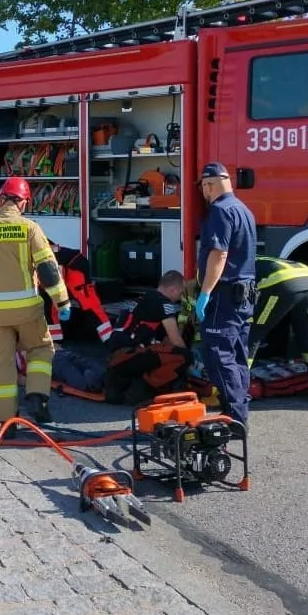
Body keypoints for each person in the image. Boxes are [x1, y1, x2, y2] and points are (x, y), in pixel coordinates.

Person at [0, 176, 70, 424]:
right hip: (28, 310)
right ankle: (37, 397)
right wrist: (62, 302)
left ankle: (6, 421)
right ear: (24, 203)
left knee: (1, 364)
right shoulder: (29, 228)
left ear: (1, 199)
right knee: (41, 350)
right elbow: (48, 270)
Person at [193, 162, 258, 429]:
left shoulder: (220, 212)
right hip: (244, 295)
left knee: (219, 354)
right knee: (238, 354)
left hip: (224, 295)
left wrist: (205, 292)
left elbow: (219, 254)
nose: (204, 193)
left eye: (204, 187)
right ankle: (240, 410)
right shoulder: (243, 209)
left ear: (209, 185)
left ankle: (234, 417)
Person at [248, 257, 308, 402]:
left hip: (282, 283)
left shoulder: (233, 267)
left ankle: (236, 386)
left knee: (253, 335)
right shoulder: (257, 259)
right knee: (306, 331)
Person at [103, 270, 194, 404]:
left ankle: (139, 386)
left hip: (117, 356)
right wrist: (190, 363)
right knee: (184, 355)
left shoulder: (143, 298)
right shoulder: (164, 303)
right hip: (127, 355)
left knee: (162, 352)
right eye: (180, 293)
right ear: (173, 289)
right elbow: (175, 340)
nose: (180, 298)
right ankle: (147, 388)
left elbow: (163, 340)